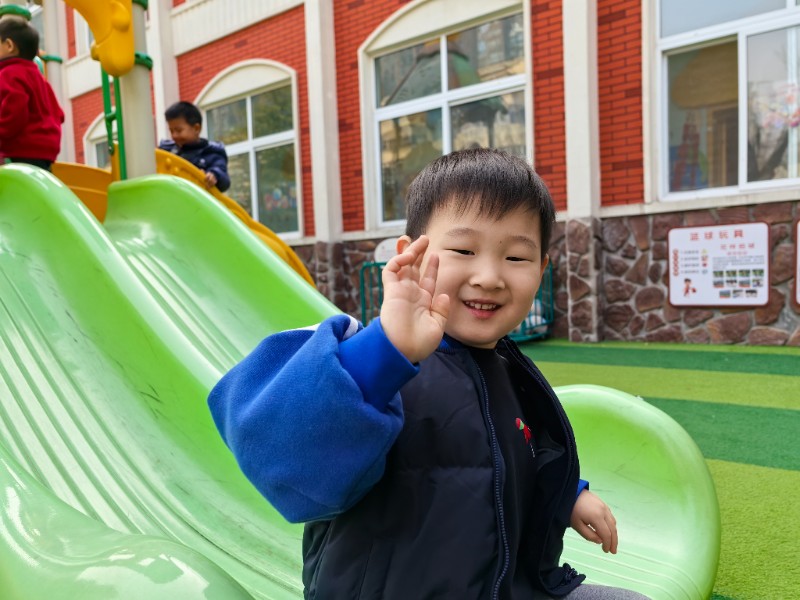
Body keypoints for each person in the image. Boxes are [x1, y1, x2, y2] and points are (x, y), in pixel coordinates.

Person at [208, 148, 650, 600]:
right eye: (463, 250)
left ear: (542, 270)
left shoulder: (509, 371)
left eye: (517, 258)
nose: (489, 277)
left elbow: (517, 456)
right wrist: (385, 351)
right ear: (412, 254)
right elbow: (276, 453)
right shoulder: (366, 360)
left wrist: (568, 494)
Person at [0, 16, 63, 172]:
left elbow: (14, 113)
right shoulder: (38, 77)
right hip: (47, 150)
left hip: (23, 147)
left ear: (9, 46)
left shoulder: (9, 73)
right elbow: (59, 114)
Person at [158, 101, 230, 192]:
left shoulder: (211, 153)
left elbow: (224, 178)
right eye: (171, 131)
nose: (174, 135)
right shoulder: (168, 150)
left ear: (196, 128)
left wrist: (214, 175)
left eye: (179, 130)